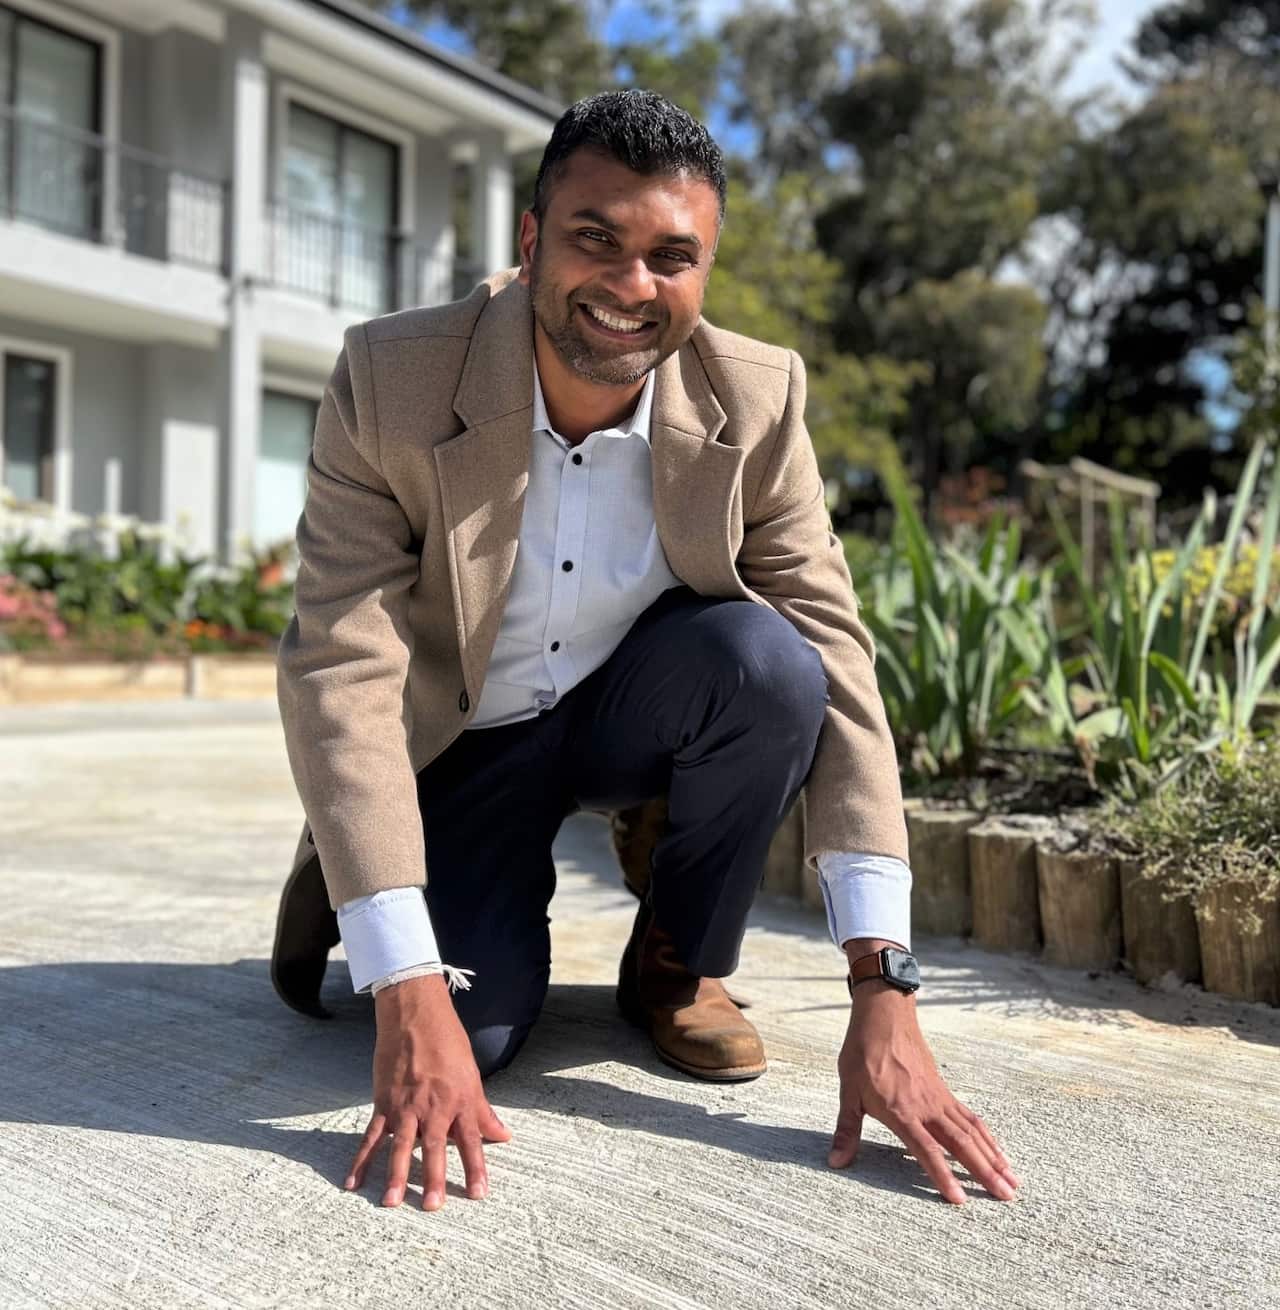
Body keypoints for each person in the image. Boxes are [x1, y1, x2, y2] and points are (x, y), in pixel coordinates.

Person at [271, 89, 1020, 1215]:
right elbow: (342, 668)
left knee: (770, 662)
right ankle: (460, 931)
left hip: (632, 711)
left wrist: (883, 983)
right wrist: (403, 976)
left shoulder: (755, 400)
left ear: (705, 269)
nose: (632, 285)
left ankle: (676, 960)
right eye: (597, 239)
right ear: (531, 240)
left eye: (672, 256)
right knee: (476, 1035)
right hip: (458, 749)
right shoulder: (392, 380)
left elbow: (837, 657)